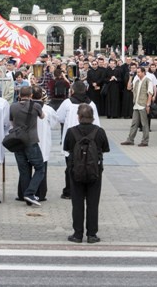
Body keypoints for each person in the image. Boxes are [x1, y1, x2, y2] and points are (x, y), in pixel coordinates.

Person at [62, 103, 110, 243]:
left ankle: (77, 234)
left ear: (79, 117)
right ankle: (92, 234)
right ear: (92, 117)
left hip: (75, 171)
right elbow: (105, 148)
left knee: (77, 203)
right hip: (95, 172)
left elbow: (66, 147)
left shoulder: (71, 132)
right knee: (93, 203)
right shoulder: (99, 131)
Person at [57, 80, 100, 200]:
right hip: (89, 140)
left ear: (73, 90)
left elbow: (59, 117)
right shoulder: (91, 104)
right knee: (87, 165)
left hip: (72, 138)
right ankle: (85, 192)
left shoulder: (67, 103)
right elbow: (97, 123)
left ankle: (69, 191)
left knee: (70, 166)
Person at [9, 86, 45, 206]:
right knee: (40, 168)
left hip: (18, 141)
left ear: (19, 95)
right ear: (31, 95)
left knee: (24, 170)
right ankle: (30, 193)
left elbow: (11, 121)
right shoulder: (36, 106)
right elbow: (42, 116)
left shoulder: (13, 106)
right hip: (31, 140)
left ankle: (26, 196)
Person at [120, 67, 153, 147]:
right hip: (136, 105)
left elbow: (150, 94)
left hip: (143, 105)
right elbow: (128, 87)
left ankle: (145, 141)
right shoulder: (137, 81)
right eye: (137, 72)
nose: (137, 74)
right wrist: (131, 78)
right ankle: (130, 140)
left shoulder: (148, 81)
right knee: (134, 123)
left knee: (144, 124)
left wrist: (148, 105)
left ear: (143, 72)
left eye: (139, 72)